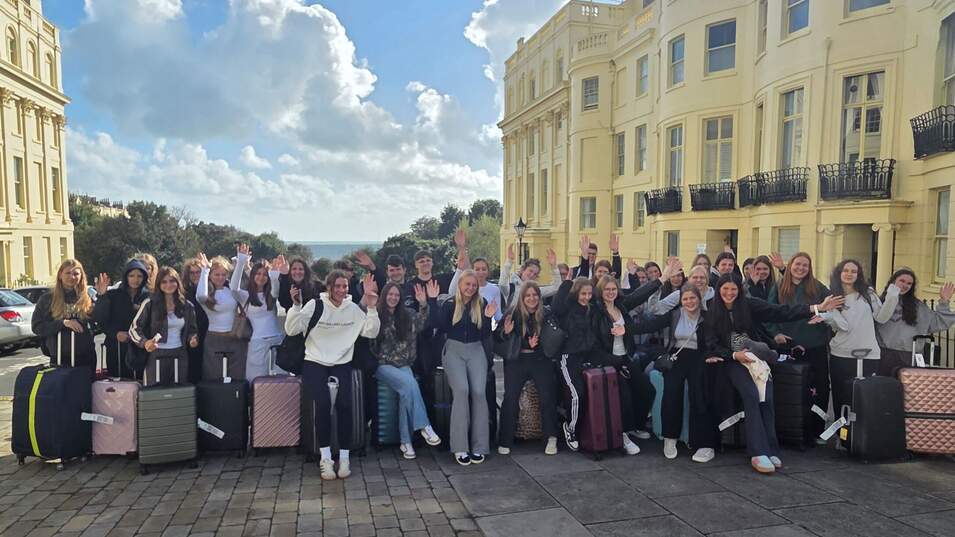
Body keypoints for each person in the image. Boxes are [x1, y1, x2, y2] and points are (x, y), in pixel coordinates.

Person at [704, 274, 842, 474]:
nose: (729, 293)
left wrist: (816, 308)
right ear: (718, 290)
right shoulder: (712, 309)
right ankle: (757, 452)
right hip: (731, 362)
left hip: (756, 358)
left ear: (739, 290)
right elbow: (711, 343)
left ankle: (770, 448)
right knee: (751, 395)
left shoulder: (749, 305)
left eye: (733, 289)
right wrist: (734, 355)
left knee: (766, 397)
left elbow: (780, 311)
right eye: (725, 289)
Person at [286, 271, 379, 480]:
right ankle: (325, 458)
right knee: (322, 405)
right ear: (329, 287)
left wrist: (372, 307)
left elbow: (370, 332)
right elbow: (292, 329)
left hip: (342, 363)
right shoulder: (315, 305)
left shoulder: (353, 309)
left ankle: (344, 458)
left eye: (344, 286)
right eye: (337, 286)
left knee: (345, 406)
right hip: (315, 361)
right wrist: (296, 306)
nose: (341, 290)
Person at [633, 284, 718, 462]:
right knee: (671, 392)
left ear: (699, 299)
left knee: (699, 393)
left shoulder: (707, 316)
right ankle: (669, 438)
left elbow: (714, 339)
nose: (689, 302)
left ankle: (704, 443)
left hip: (700, 356)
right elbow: (650, 325)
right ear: (680, 301)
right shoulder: (675, 315)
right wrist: (626, 328)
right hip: (677, 356)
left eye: (692, 298)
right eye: (685, 299)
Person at [427, 271, 497, 466]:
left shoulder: (481, 303)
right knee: (461, 391)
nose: (470, 288)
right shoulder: (450, 304)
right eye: (467, 284)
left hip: (476, 349)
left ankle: (480, 446)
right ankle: (460, 446)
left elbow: (484, 334)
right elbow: (436, 325)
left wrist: (488, 318)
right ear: (460, 284)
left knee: (479, 393)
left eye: (474, 285)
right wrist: (432, 301)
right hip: (454, 349)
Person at [370, 282, 441, 459]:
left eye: (396, 295)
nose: (393, 298)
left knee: (406, 392)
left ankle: (406, 442)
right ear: (384, 295)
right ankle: (424, 426)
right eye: (390, 294)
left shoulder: (407, 314)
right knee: (410, 383)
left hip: (403, 364)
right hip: (382, 365)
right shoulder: (376, 314)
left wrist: (424, 303)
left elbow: (423, 323)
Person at [766, 252, 832, 439]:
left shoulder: (817, 287)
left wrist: (825, 316)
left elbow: (834, 305)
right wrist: (775, 333)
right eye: (797, 264)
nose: (801, 268)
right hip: (788, 347)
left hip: (815, 346)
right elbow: (768, 314)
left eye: (805, 265)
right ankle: (787, 430)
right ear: (790, 265)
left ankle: (817, 430)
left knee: (819, 388)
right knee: (789, 387)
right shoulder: (779, 286)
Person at [591, 275, 657, 454]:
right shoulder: (596, 311)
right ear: (600, 291)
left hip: (625, 358)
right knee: (624, 396)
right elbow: (594, 343)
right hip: (608, 361)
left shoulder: (621, 306)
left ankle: (636, 425)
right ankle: (623, 436)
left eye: (613, 289)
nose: (610, 292)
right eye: (607, 289)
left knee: (647, 390)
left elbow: (640, 295)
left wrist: (663, 278)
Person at [821, 260, 895, 416]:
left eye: (853, 271)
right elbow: (842, 326)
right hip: (841, 354)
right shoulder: (832, 296)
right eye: (845, 270)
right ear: (839, 273)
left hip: (869, 354)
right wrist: (828, 315)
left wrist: (892, 296)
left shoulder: (868, 293)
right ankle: (843, 430)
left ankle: (863, 431)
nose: (849, 274)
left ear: (858, 274)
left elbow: (881, 318)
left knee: (865, 398)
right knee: (841, 398)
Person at [494, 282, 560, 456]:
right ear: (522, 298)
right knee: (510, 398)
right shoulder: (513, 313)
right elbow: (497, 338)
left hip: (540, 359)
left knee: (547, 397)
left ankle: (551, 437)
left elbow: (553, 339)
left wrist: (537, 345)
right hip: (518, 360)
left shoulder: (546, 313)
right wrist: (506, 332)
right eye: (528, 295)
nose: (532, 298)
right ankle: (505, 439)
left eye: (535, 295)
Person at [877, 269, 955, 375]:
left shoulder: (918, 307)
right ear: (893, 281)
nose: (905, 285)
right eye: (902, 281)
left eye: (909, 283)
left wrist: (944, 301)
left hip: (909, 356)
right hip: (883, 354)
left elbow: (938, 322)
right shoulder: (879, 302)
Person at [129, 267, 199, 385]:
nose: (168, 285)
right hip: (156, 355)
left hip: (179, 354)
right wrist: (145, 343)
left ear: (177, 282)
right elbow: (134, 329)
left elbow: (192, 330)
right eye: (164, 282)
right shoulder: (149, 303)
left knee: (179, 392)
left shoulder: (187, 305)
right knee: (154, 393)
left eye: (172, 281)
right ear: (159, 284)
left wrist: (192, 339)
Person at [32, 259, 98, 377]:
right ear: (60, 275)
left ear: (81, 276)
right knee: (62, 388)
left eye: (76, 274)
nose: (72, 277)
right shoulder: (47, 299)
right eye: (68, 273)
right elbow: (37, 327)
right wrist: (63, 323)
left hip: (85, 358)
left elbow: (99, 323)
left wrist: (102, 298)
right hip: (59, 358)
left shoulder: (87, 298)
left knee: (84, 387)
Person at [232, 245, 285, 380]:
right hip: (257, 343)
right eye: (258, 274)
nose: (261, 277)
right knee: (255, 380)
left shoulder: (271, 294)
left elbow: (275, 290)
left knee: (280, 382)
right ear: (252, 275)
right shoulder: (245, 296)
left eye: (265, 274)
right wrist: (241, 261)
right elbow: (233, 288)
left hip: (277, 341)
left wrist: (274, 275)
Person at [93, 259, 150, 378]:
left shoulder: (148, 296)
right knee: (118, 383)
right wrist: (115, 334)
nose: (135, 279)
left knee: (141, 382)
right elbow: (101, 320)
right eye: (131, 275)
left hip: (140, 349)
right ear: (126, 276)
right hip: (117, 348)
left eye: (139, 276)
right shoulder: (113, 295)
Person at [196, 252, 248, 380]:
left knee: (236, 377)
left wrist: (241, 262)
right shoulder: (206, 293)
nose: (220, 278)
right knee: (214, 378)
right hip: (214, 339)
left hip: (235, 337)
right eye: (217, 274)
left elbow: (241, 288)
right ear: (210, 275)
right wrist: (205, 270)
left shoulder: (231, 291)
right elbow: (201, 296)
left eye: (223, 274)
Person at [449, 229, 503, 322]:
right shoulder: (466, 287)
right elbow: (452, 292)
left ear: (488, 271)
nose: (480, 272)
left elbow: (498, 315)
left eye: (483, 269)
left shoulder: (494, 289)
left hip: (484, 327)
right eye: (477, 269)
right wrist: (461, 247)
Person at [182, 256, 209, 384]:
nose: (195, 275)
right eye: (192, 273)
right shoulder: (184, 292)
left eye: (198, 272)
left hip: (208, 331)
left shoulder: (210, 289)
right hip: (191, 333)